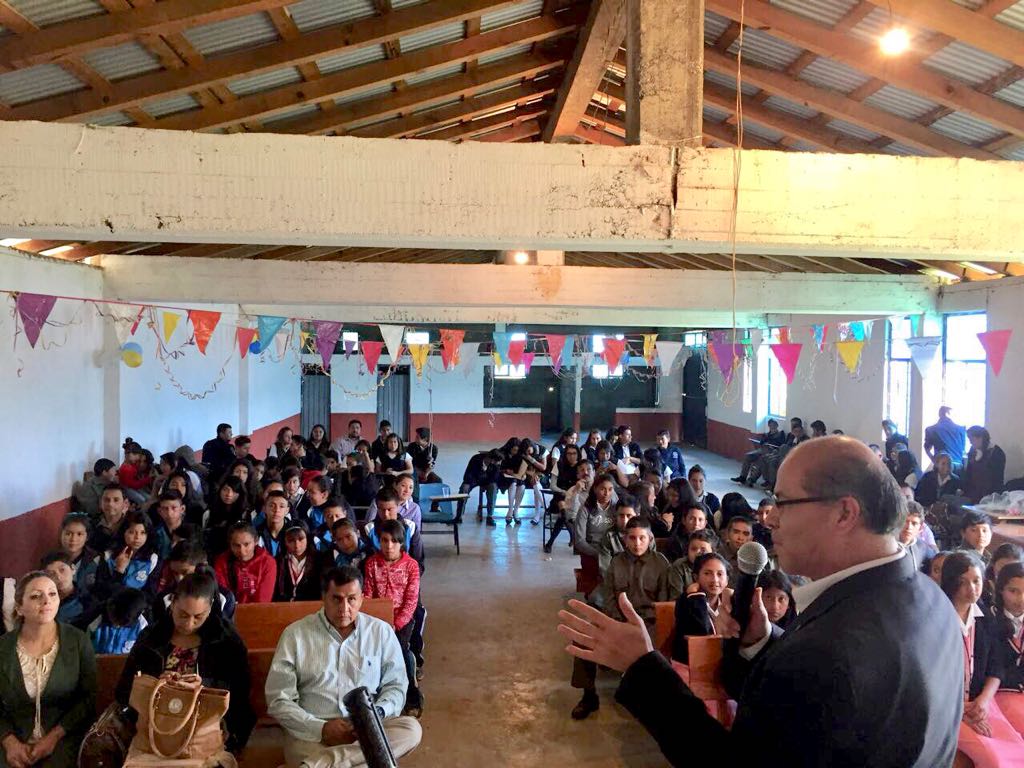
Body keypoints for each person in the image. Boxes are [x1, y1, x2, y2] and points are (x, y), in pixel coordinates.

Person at [557, 435, 964, 767]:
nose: (768, 519)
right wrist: (763, 642)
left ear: (844, 514)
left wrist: (642, 667)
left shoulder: (824, 656)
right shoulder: (934, 601)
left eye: (784, 502)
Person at [266, 565, 423, 766]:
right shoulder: (295, 635)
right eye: (336, 599)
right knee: (375, 760)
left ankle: (322, 764)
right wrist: (321, 729)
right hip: (313, 733)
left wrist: (374, 718)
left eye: (351, 599)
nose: (344, 609)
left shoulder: (381, 632)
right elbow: (279, 699)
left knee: (411, 729)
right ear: (324, 597)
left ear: (362, 598)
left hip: (367, 729)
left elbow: (396, 687)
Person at [116, 570, 254, 755]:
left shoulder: (225, 640)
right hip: (154, 729)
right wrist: (155, 684)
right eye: (183, 614)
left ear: (210, 609)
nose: (189, 624)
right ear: (172, 603)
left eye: (198, 617)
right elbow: (124, 689)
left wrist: (203, 686)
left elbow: (240, 692)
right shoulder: (152, 638)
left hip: (206, 731)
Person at [572, 517, 669, 719]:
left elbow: (664, 606)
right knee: (582, 637)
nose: (637, 543)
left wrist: (642, 626)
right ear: (625, 539)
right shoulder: (616, 562)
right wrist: (617, 623)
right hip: (618, 620)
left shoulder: (661, 564)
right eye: (632, 538)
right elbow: (608, 596)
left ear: (650, 538)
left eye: (642, 538)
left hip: (649, 624)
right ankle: (589, 695)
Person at [0, 571, 96, 768]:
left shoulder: (77, 641)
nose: (46, 601)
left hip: (64, 737)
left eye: (52, 594)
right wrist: (9, 742)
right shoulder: (3, 647)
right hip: (10, 737)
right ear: (19, 607)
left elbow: (88, 698)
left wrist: (53, 737)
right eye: (36, 596)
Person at [941, 551, 1024, 764]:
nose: (972, 589)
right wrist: (961, 708)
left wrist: (984, 701)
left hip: (981, 703)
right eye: (963, 582)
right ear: (950, 582)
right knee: (994, 760)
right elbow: (930, 677)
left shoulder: (984, 617)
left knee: (1017, 751)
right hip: (948, 708)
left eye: (976, 581)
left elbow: (995, 668)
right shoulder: (937, 617)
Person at [363, 520, 423, 717]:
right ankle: (378, 695)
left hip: (402, 621)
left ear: (402, 543)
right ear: (379, 541)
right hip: (377, 620)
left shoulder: (411, 566)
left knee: (399, 653)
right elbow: (368, 594)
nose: (389, 546)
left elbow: (411, 600)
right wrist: (375, 620)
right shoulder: (372, 563)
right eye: (385, 540)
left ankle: (412, 695)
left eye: (394, 542)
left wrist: (396, 623)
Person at [672, 552, 731, 663]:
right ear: (696, 577)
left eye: (720, 574)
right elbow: (702, 631)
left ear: (727, 580)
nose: (714, 580)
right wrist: (696, 597)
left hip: (721, 662)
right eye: (707, 573)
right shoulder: (686, 600)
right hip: (691, 663)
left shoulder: (729, 601)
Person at [95, 510, 161, 599]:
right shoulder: (108, 556)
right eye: (132, 532)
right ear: (123, 532)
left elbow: (150, 593)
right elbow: (104, 591)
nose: (137, 538)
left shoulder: (152, 559)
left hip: (137, 605)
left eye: (143, 533)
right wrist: (119, 570)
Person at [992, 562, 1024, 736]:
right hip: (1000, 692)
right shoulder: (989, 619)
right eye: (1014, 591)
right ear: (1000, 590)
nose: (1021, 598)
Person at [214, 522, 277, 604]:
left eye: (246, 544)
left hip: (258, 612)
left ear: (256, 541)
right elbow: (224, 598)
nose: (242, 551)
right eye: (236, 545)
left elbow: (263, 601)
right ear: (230, 544)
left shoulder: (268, 562)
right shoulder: (221, 561)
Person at [41, 552, 98, 631]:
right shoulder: (43, 602)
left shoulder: (87, 602)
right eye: (51, 574)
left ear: (73, 569)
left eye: (62, 570)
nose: (58, 577)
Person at [275, 520, 323, 602]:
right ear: (285, 542)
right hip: (284, 609)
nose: (297, 545)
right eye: (291, 540)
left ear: (308, 539)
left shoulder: (320, 559)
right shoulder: (278, 561)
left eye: (301, 539)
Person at [91, 587, 148, 655]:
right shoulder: (95, 617)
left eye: (122, 624)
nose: (117, 625)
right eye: (115, 620)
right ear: (111, 607)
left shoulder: (141, 625)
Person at [732, 420, 784, 486]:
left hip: (771, 451)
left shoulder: (780, 434)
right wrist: (766, 438)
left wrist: (770, 442)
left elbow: (780, 445)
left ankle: (751, 479)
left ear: (777, 426)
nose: (772, 427)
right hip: (762, 449)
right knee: (748, 456)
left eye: (774, 425)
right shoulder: (767, 434)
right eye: (770, 425)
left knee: (760, 460)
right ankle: (743, 476)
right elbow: (761, 442)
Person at [667, 529, 716, 597]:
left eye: (703, 550)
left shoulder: (718, 565)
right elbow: (676, 599)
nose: (697, 553)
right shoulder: (679, 566)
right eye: (693, 549)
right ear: (688, 550)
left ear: (712, 552)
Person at [964, 426, 1007, 503]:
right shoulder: (972, 451)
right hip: (972, 494)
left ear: (980, 438)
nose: (970, 442)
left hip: (989, 495)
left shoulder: (996, 452)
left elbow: (998, 479)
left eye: (972, 439)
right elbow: (968, 474)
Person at [460, 449, 501, 526]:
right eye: (496, 462)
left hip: (487, 481)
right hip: (473, 479)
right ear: (491, 460)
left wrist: (486, 479)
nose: (498, 464)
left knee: (493, 487)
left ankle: (490, 516)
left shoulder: (496, 465)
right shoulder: (476, 459)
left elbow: (494, 479)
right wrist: (479, 476)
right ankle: (459, 514)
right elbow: (467, 475)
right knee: (464, 488)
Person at [88, 483, 129, 555]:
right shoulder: (91, 524)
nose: (110, 504)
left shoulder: (132, 524)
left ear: (125, 503)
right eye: (106, 500)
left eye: (116, 500)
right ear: (100, 503)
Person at [925, 406, 968, 471]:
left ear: (939, 414)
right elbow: (963, 450)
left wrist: (935, 461)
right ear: (949, 414)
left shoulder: (931, 429)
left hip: (941, 466)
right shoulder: (961, 429)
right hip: (958, 466)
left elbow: (927, 449)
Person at [717, 515, 754, 586]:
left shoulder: (754, 559)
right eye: (736, 532)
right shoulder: (716, 556)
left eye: (745, 534)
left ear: (751, 539)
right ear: (727, 534)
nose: (740, 538)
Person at [900, 501, 937, 568]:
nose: (909, 527)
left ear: (920, 528)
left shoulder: (923, 548)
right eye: (905, 521)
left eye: (914, 523)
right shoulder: (886, 545)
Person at [256, 489, 291, 558]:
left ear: (287, 510)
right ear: (264, 508)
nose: (276, 510)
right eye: (272, 506)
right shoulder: (256, 533)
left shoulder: (293, 532)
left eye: (281, 506)